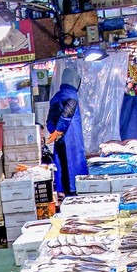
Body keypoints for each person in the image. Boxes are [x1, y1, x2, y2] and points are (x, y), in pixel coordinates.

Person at [46, 67, 88, 197]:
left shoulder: (56, 96)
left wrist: (54, 132)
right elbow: (67, 113)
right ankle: (75, 191)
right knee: (73, 164)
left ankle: (65, 191)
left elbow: (50, 118)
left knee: (62, 165)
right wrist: (59, 130)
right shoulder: (72, 95)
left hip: (60, 139)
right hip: (71, 137)